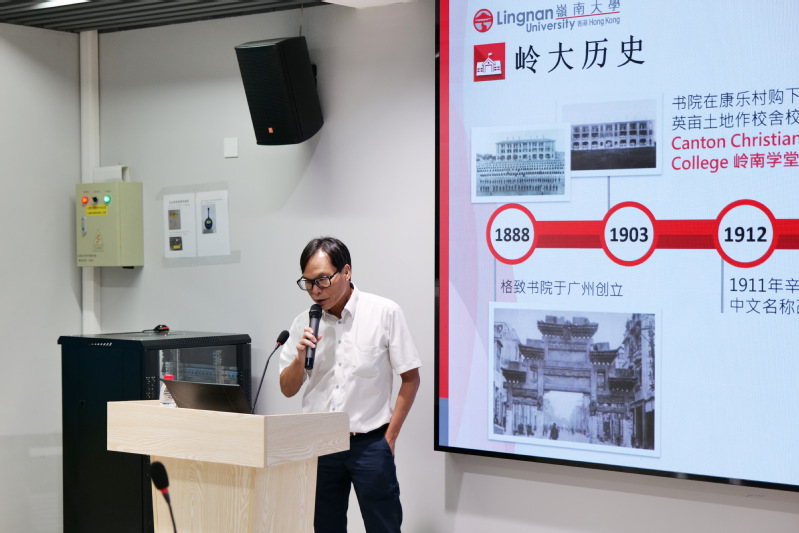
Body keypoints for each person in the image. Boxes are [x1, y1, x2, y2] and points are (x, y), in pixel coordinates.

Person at [279, 236, 421, 533]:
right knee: (325, 526)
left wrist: (390, 437)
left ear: (346, 272)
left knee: (384, 526)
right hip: (320, 443)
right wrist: (299, 357)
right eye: (307, 283)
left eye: (322, 280)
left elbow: (410, 377)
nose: (315, 291)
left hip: (370, 443)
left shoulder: (384, 313)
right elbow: (288, 388)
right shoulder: (303, 322)